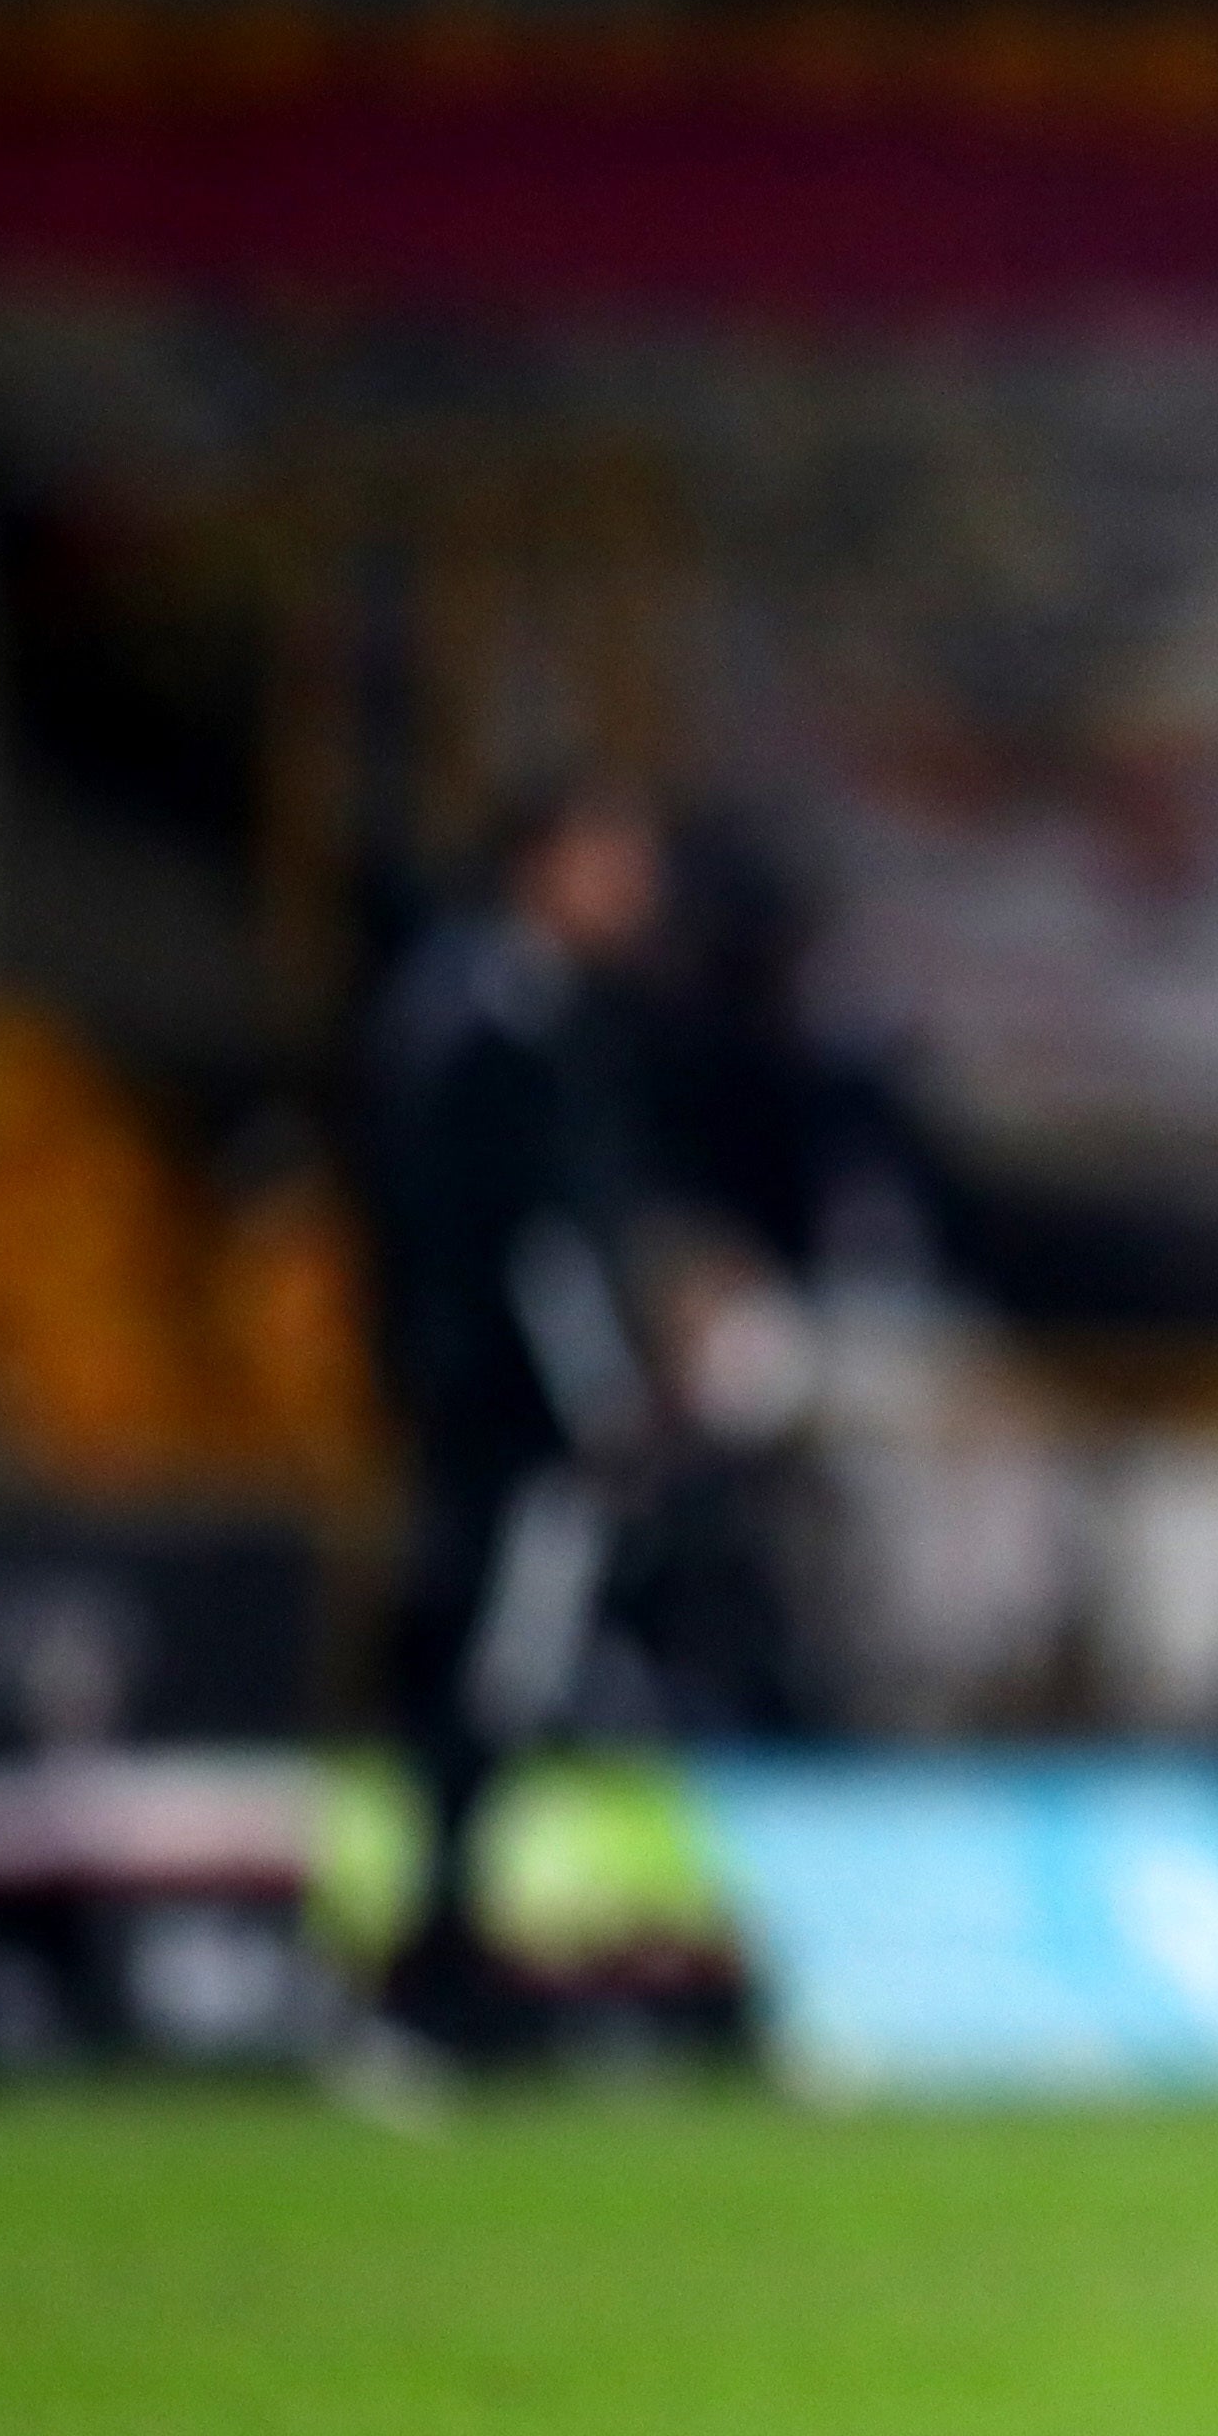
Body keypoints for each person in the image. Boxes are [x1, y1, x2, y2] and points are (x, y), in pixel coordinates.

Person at [355, 777, 666, 2067]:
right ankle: (432, 1980)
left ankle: (440, 1963)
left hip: (463, 1394)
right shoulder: (507, 1019)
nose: (635, 891)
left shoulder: (459, 999)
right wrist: (601, 1399)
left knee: (488, 1674)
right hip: (510, 1416)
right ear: (544, 860)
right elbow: (533, 1241)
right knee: (492, 1679)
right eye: (612, 858)